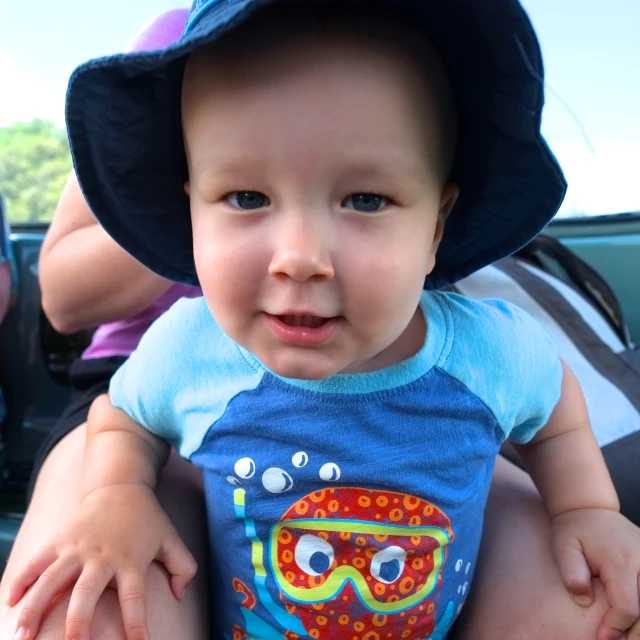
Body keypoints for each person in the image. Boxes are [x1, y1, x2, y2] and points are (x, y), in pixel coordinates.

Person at [4, 2, 640, 640]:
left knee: (610, 607)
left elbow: (553, 408)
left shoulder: (487, 354)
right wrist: (116, 494)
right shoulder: (189, 349)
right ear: (191, 212)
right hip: (197, 490)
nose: (300, 258)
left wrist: (587, 508)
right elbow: (122, 415)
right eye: (247, 198)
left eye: (366, 199)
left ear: (436, 227)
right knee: (71, 613)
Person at [0, 9, 210, 640]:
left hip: (388, 374)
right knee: (74, 618)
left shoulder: (436, 32)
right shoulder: (173, 38)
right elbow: (61, 297)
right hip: (136, 389)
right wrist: (205, 195)